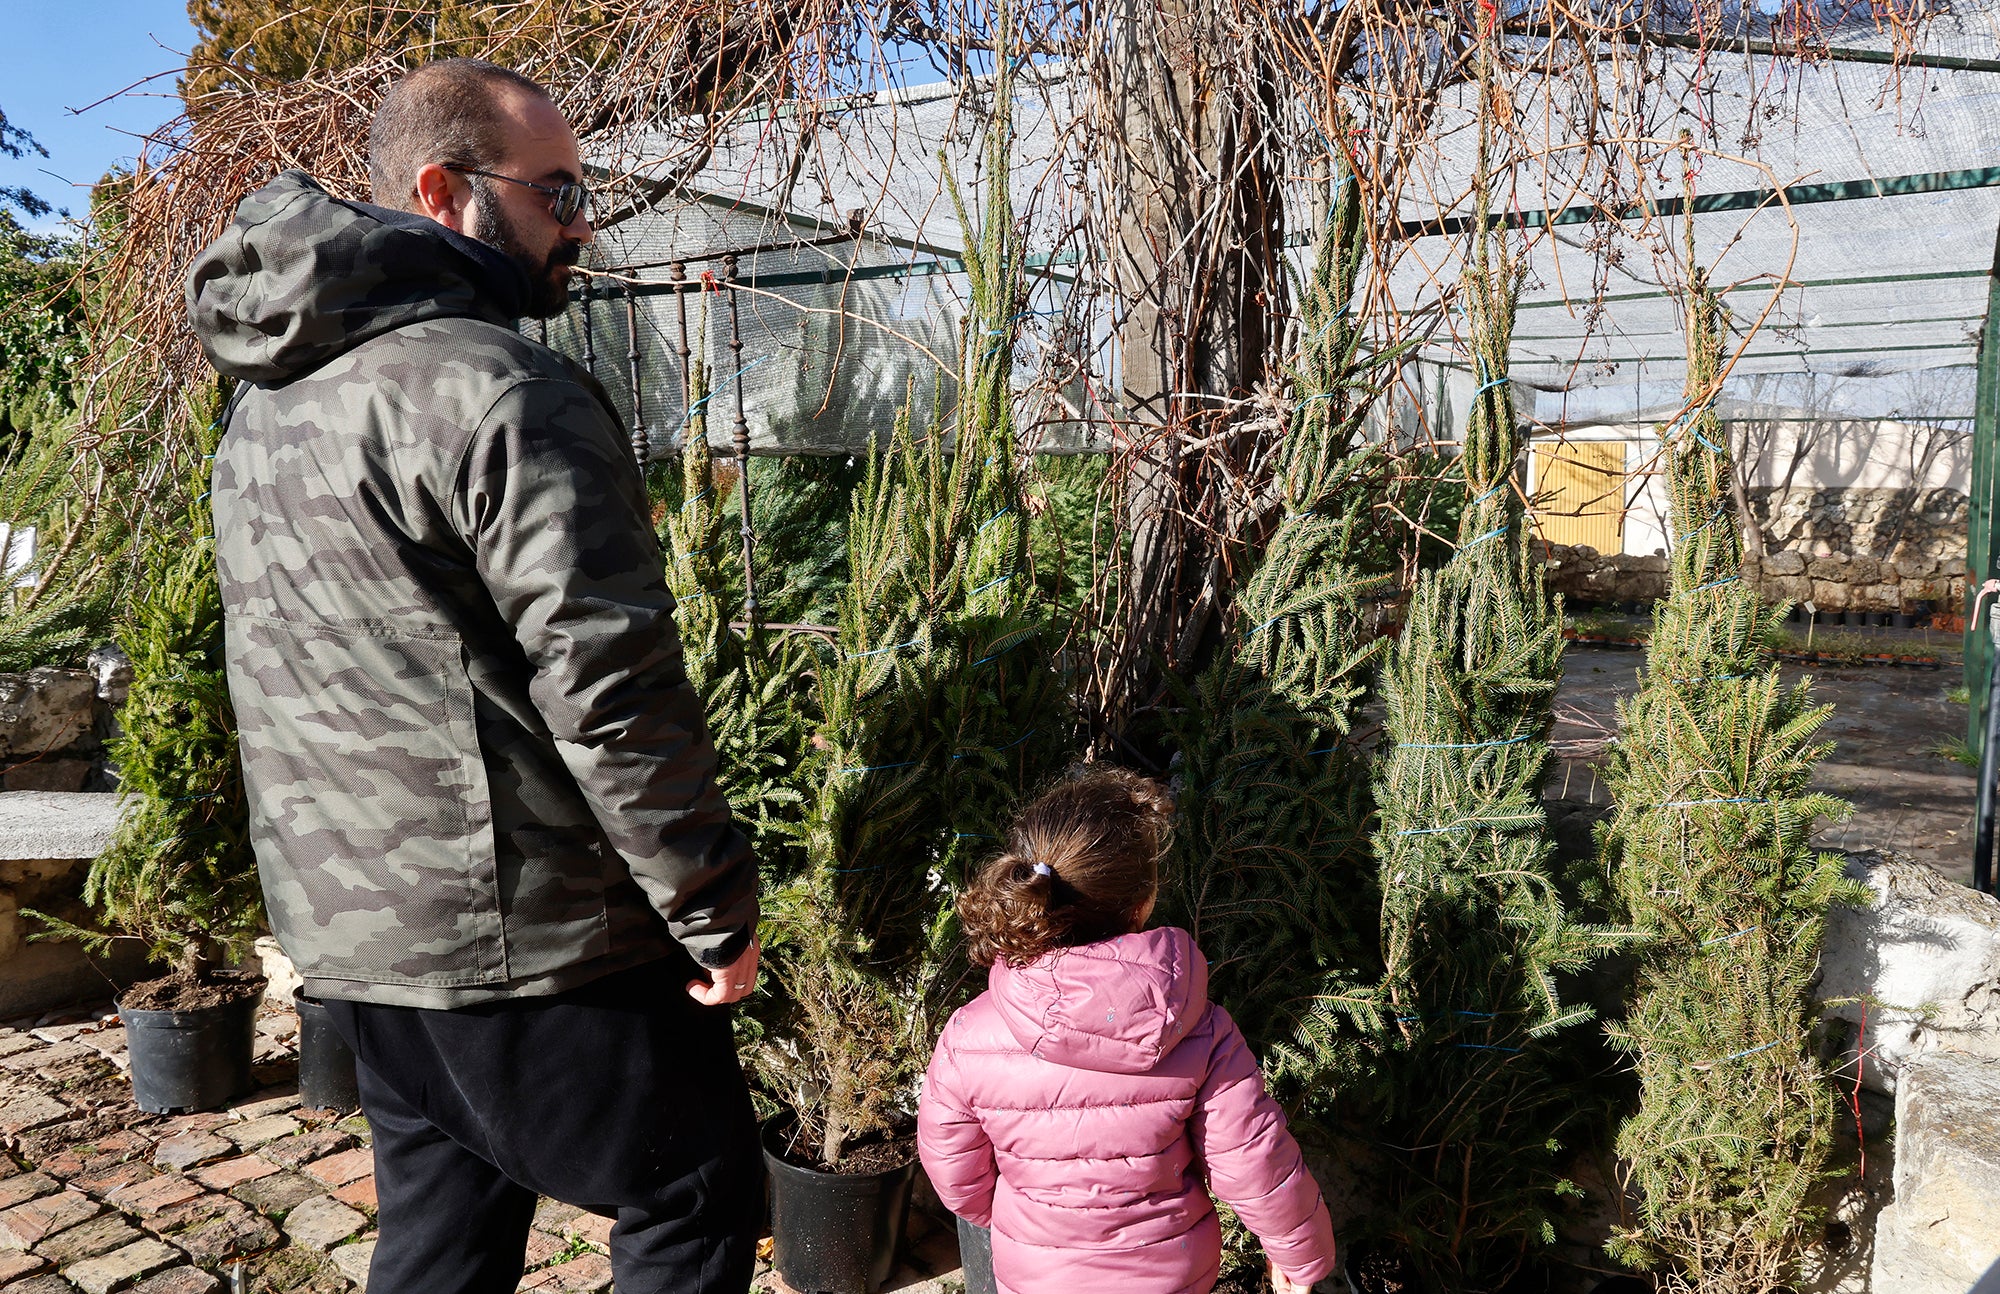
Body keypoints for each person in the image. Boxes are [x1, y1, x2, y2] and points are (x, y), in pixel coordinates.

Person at [186, 58, 762, 1294]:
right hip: (526, 938)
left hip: (354, 935)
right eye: (555, 189)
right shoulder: (502, 390)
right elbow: (610, 686)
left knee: (443, 1226)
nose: (582, 217)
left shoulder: (268, 406)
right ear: (443, 190)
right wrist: (709, 904)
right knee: (693, 1192)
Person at [917, 768, 1339, 1294]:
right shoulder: (1198, 1029)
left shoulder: (968, 1036)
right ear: (1141, 903)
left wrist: (1020, 1218)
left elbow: (954, 1170)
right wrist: (1302, 1261)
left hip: (1038, 1276)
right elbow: (1255, 1158)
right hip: (1172, 1274)